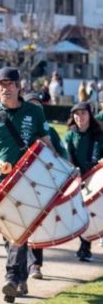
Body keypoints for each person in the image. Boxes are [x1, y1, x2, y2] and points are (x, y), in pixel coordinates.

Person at [0, 68, 52, 303]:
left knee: (18, 230)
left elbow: (46, 144)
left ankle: (11, 278)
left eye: (9, 83)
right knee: (7, 232)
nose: (5, 88)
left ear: (19, 86)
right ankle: (20, 278)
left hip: (27, 181)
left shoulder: (34, 112)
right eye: (1, 84)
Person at [23, 93, 68, 280]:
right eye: (32, 105)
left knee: (36, 223)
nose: (36, 109)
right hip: (22, 179)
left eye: (38, 106)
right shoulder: (19, 127)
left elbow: (60, 153)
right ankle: (20, 265)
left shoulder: (50, 130)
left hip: (42, 180)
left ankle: (35, 264)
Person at [63, 101, 103, 262]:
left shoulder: (99, 134)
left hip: (98, 176)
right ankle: (84, 248)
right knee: (84, 213)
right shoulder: (70, 135)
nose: (79, 117)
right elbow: (68, 157)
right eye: (76, 114)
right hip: (79, 178)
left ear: (90, 115)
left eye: (83, 113)